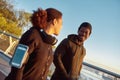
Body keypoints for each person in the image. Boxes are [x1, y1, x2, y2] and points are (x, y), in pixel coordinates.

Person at [5, 7, 62, 80]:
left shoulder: (49, 44)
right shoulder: (32, 35)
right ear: (54, 21)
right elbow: (17, 63)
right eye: (61, 23)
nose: (61, 27)